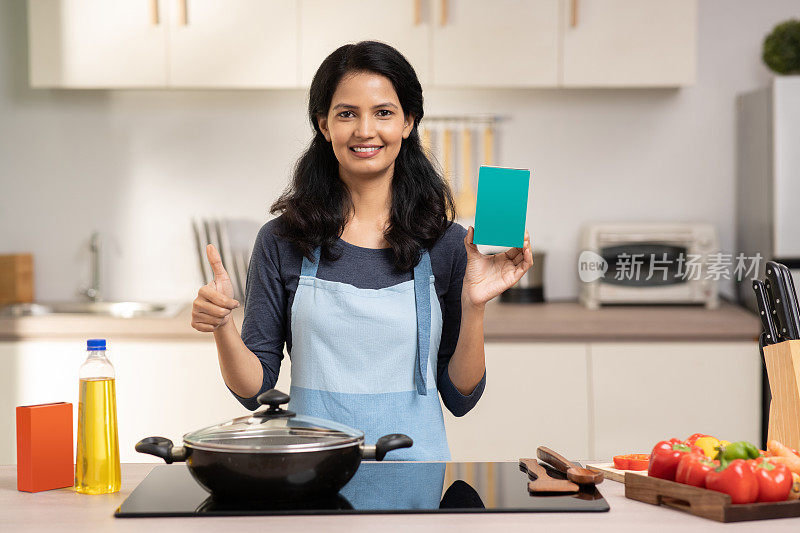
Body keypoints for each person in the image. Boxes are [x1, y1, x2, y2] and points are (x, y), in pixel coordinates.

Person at [191, 41, 533, 460]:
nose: (365, 130)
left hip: (415, 483)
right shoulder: (282, 239)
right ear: (323, 124)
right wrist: (224, 326)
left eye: (384, 113)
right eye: (346, 113)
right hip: (313, 478)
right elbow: (255, 389)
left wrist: (474, 305)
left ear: (408, 122)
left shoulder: (445, 244)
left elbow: (460, 397)